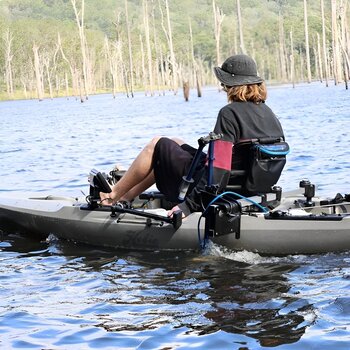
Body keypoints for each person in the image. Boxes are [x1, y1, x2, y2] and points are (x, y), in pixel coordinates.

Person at [100, 54, 285, 216]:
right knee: (175, 142)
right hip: (245, 186)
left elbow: (220, 168)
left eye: (224, 83)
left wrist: (188, 206)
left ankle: (113, 195)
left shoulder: (229, 113)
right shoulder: (269, 114)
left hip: (221, 189)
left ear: (231, 85)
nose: (222, 87)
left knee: (157, 145)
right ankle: (126, 196)